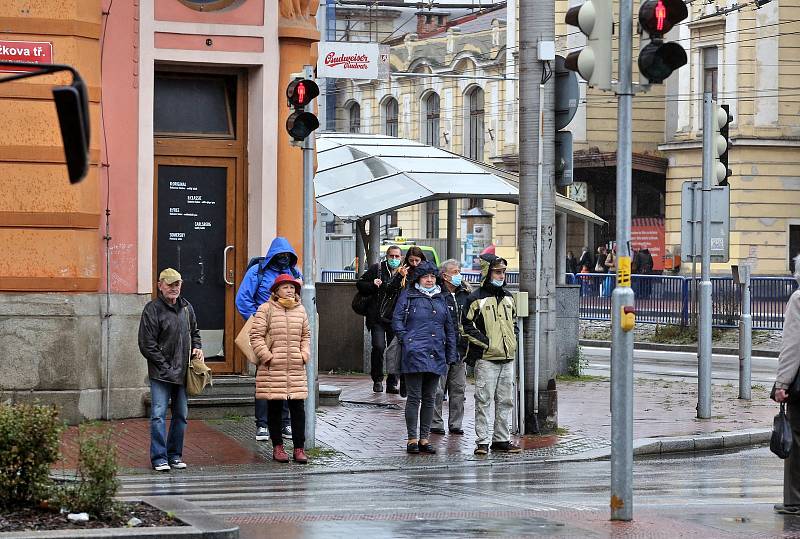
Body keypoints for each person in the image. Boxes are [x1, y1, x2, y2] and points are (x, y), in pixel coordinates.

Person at [235, 237, 302, 442]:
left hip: (289, 333)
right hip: (264, 334)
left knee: (287, 379)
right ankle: (262, 424)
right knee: (264, 379)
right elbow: (243, 299)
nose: (283, 259)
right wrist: (258, 321)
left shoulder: (294, 273)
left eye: (287, 256)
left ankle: (284, 423)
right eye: (280, 256)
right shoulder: (257, 272)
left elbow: (301, 300)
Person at [138, 268, 202, 472]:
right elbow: (147, 345)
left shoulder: (186, 307)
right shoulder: (152, 309)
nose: (174, 288)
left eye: (177, 284)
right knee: (158, 414)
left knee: (181, 415)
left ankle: (174, 455)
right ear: (160, 286)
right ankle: (159, 458)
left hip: (182, 372)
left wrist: (197, 347)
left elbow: (195, 332)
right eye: (170, 284)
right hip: (161, 373)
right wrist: (166, 367)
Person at [392, 261, 457, 455]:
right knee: (414, 397)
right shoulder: (409, 295)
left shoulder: (441, 298)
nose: (429, 280)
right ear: (418, 278)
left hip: (436, 352)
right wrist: (407, 340)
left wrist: (451, 354)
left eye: (432, 276)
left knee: (431, 398)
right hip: (414, 353)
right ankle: (412, 439)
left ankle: (424, 438)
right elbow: (396, 320)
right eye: (425, 277)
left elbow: (450, 328)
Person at [462, 254, 521, 455]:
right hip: (486, 359)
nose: (502, 275)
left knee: (506, 400)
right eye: (498, 271)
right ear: (488, 272)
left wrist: (512, 341)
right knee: (483, 400)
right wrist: (487, 344)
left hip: (507, 358)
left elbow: (513, 323)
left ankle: (501, 440)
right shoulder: (475, 298)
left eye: (503, 272)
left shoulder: (509, 297)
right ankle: (482, 442)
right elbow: (465, 326)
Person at [249, 274, 311, 464]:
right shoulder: (265, 309)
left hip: (295, 368)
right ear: (275, 291)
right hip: (272, 368)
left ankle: (299, 448)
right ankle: (278, 447)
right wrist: (267, 357)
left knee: (298, 409)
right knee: (275, 407)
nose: (290, 290)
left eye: (292, 287)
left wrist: (304, 354)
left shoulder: (300, 310)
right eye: (285, 287)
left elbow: (306, 335)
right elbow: (255, 336)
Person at [772, 254, 800, 514]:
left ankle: (794, 500)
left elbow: (792, 345)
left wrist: (782, 383)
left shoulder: (799, 299)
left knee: (797, 440)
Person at [431, 259, 470, 436]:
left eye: (459, 271)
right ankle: (435, 423)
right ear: (445, 275)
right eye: (455, 272)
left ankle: (456, 424)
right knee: (438, 390)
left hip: (460, 350)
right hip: (441, 350)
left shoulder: (465, 295)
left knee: (458, 390)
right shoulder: (437, 295)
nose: (458, 275)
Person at [357, 245, 403, 393]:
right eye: (392, 256)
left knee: (394, 351)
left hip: (395, 319)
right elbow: (360, 284)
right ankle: (377, 379)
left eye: (397, 257)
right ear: (387, 256)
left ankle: (392, 382)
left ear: (401, 258)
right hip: (377, 317)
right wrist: (372, 284)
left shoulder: (404, 273)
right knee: (378, 347)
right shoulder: (377, 269)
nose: (394, 259)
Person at [384, 245, 427, 397]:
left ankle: (415, 383)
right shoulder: (404, 274)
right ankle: (402, 381)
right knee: (403, 351)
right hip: (405, 318)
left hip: (421, 319)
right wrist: (399, 277)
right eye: (412, 260)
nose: (415, 264)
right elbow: (390, 290)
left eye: (417, 260)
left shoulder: (428, 275)